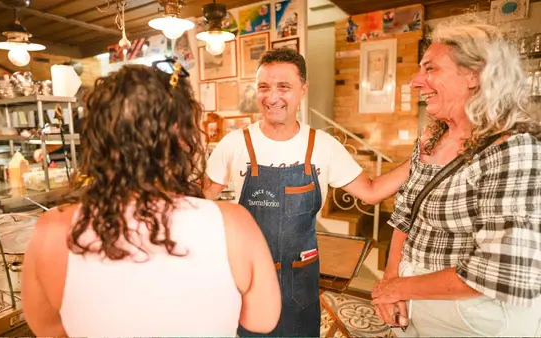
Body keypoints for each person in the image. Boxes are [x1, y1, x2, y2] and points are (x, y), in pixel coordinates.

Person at [22, 62, 282, 337]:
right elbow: (261, 320)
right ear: (180, 137)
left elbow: (49, 330)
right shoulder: (234, 224)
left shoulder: (50, 231)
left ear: (98, 138)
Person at [204, 48, 411, 337]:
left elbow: (372, 192)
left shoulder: (324, 146)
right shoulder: (234, 144)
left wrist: (419, 161)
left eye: (284, 87)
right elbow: (203, 201)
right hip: (246, 279)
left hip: (302, 279)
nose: (272, 97)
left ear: (303, 89)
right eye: (264, 87)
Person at [371, 20, 541, 337]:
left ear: (474, 75)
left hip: (477, 320)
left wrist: (397, 288)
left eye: (430, 69)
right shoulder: (433, 136)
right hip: (414, 305)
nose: (415, 82)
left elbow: (496, 273)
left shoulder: (515, 151)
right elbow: (405, 214)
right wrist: (391, 277)